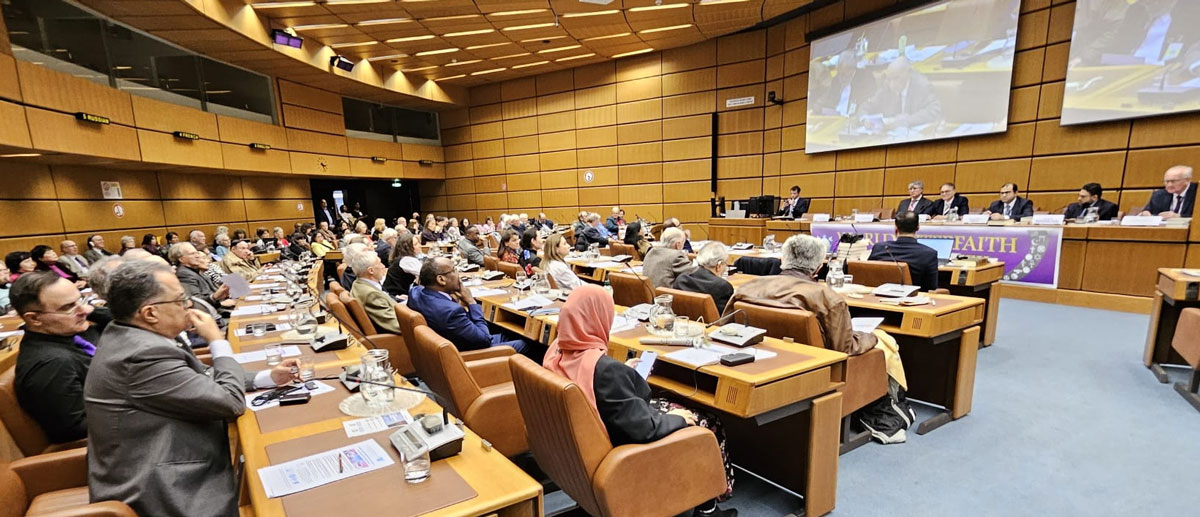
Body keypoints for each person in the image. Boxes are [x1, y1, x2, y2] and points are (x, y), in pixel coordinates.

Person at [85, 260, 300, 516]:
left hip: (180, 455)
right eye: (180, 300)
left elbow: (201, 376)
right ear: (150, 313)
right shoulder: (142, 355)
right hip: (168, 487)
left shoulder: (132, 334)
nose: (188, 305)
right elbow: (230, 403)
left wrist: (268, 377)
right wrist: (217, 341)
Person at [543, 285, 735, 515]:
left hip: (579, 452)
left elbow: (593, 388)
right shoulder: (604, 371)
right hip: (622, 449)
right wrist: (678, 419)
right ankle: (709, 506)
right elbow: (644, 429)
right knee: (707, 421)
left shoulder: (556, 350)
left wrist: (622, 373)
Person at [11, 272, 98, 444]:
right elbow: (75, 429)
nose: (86, 310)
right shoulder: (52, 364)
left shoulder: (65, 336)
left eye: (80, 300)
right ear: (34, 318)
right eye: (68, 307)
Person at [407, 257, 533, 355]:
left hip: (455, 342)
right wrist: (471, 302)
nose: (459, 275)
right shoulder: (451, 312)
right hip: (471, 354)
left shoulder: (415, 293)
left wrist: (452, 299)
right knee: (531, 344)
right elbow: (485, 340)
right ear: (441, 280)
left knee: (508, 333)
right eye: (454, 270)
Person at [858, 56, 943, 130]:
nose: (892, 84)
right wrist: (865, 119)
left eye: (896, 78)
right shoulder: (887, 86)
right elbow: (866, 106)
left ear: (908, 73)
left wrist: (906, 120)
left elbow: (934, 110)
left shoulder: (922, 86)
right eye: (889, 79)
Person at [868, 213, 939, 292]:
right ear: (918, 227)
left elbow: (869, 277)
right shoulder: (929, 253)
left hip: (879, 298)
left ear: (896, 227)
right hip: (913, 300)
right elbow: (931, 287)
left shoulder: (879, 248)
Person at [347, 243, 401, 334]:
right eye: (380, 263)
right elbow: (396, 325)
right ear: (371, 270)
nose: (383, 266)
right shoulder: (371, 295)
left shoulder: (358, 283)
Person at [672, 242, 734, 314]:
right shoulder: (723, 286)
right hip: (713, 325)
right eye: (725, 264)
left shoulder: (681, 279)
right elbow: (726, 318)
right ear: (719, 265)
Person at [171, 243, 232, 309]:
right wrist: (214, 297)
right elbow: (195, 301)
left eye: (197, 253)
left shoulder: (196, 270)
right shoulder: (184, 274)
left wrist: (224, 294)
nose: (197, 256)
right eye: (192, 254)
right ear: (181, 259)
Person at [384, 230, 421, 298]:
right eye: (416, 244)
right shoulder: (407, 260)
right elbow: (426, 274)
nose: (420, 245)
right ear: (408, 248)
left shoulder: (402, 259)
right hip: (397, 297)